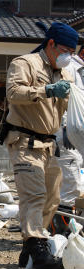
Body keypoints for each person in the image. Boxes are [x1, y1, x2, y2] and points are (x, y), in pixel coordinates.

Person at [4, 22, 78, 269]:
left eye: (72, 52)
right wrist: (46, 90)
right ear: (51, 44)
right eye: (65, 50)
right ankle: (38, 249)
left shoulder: (65, 74)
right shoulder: (25, 63)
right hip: (24, 141)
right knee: (34, 195)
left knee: (52, 196)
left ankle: (29, 251)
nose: (69, 56)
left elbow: (71, 107)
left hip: (48, 144)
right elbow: (13, 92)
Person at [56, 45, 84, 209]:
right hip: (66, 131)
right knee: (71, 176)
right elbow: (65, 100)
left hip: (76, 132)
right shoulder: (70, 68)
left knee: (74, 172)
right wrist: (65, 127)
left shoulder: (79, 69)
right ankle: (62, 222)